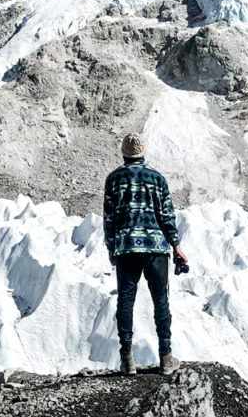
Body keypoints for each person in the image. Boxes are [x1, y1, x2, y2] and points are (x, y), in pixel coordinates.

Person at [103, 132, 188, 376]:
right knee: (161, 302)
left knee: (125, 303)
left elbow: (109, 219)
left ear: (123, 153)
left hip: (127, 248)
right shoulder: (157, 179)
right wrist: (176, 245)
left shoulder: (114, 179)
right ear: (143, 153)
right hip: (156, 250)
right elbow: (167, 216)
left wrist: (112, 248)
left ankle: (127, 359)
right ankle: (166, 357)